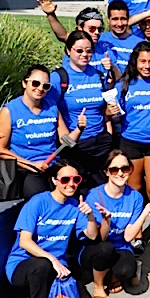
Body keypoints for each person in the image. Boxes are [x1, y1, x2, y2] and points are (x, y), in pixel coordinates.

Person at [5, 160, 99, 298]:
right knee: (42, 266)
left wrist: (91, 216)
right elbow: (24, 241)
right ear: (54, 181)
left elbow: (92, 235)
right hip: (24, 264)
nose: (71, 184)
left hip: (56, 267)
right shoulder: (38, 202)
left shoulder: (75, 206)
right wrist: (52, 259)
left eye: (75, 179)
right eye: (65, 180)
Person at [82, 151, 150, 298]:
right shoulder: (95, 196)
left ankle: (113, 273)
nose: (120, 173)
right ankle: (99, 286)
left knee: (127, 274)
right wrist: (106, 221)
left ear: (131, 170)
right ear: (106, 172)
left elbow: (128, 237)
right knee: (105, 249)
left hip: (121, 246)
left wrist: (146, 212)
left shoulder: (135, 197)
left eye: (125, 168)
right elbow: (99, 238)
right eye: (114, 169)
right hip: (98, 246)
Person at [0, 64, 84, 200]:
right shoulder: (10, 111)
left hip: (53, 167)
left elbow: (67, 142)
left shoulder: (52, 108)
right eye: (35, 83)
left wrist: (79, 128)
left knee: (74, 192)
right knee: (39, 198)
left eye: (45, 86)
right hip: (27, 169)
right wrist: (31, 165)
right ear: (24, 83)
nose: (40, 88)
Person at [115, 42, 150, 256]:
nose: (147, 65)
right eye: (143, 61)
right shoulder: (125, 84)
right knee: (134, 191)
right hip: (130, 142)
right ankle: (137, 235)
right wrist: (113, 112)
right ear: (135, 63)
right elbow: (116, 114)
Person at [46, 31, 113, 190]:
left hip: (101, 141)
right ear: (68, 50)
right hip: (77, 144)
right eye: (79, 50)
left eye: (89, 51)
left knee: (103, 190)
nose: (85, 54)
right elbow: (51, 109)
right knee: (78, 190)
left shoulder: (98, 75)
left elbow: (104, 105)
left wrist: (108, 131)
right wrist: (65, 137)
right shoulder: (58, 78)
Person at [96, 0, 142, 73]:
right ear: (108, 20)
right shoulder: (100, 39)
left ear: (128, 20)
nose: (119, 24)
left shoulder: (139, 43)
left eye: (123, 19)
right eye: (115, 19)